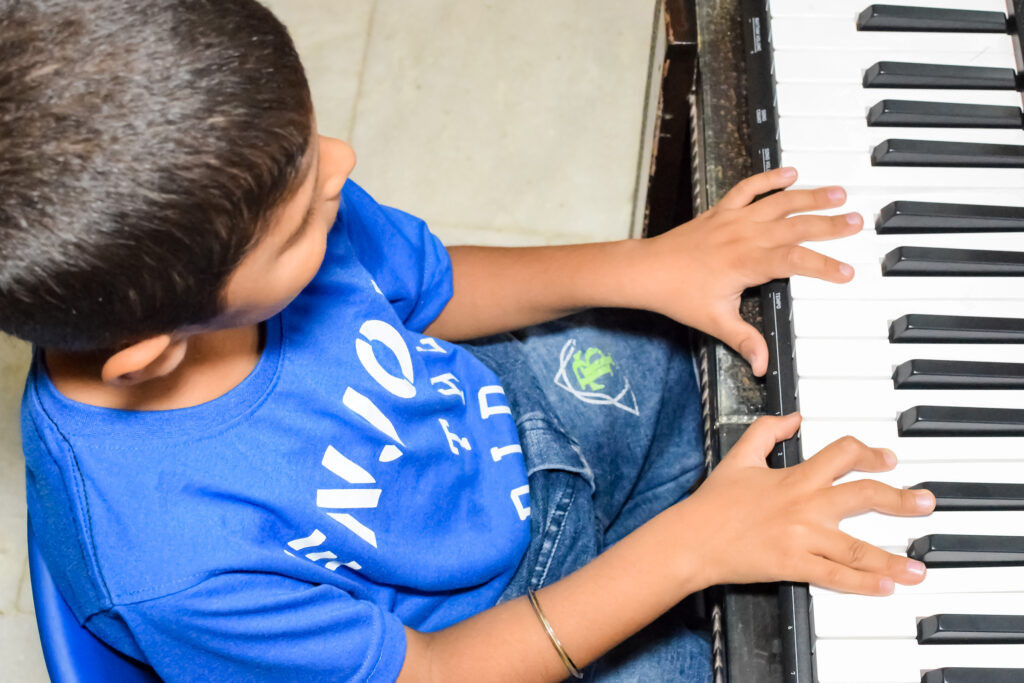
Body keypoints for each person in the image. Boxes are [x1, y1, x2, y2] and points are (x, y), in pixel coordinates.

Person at [2, 0, 935, 680]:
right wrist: (689, 552)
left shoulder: (254, 203)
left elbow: (432, 282)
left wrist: (643, 265)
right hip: (492, 636)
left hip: (529, 432)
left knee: (760, 359)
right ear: (152, 349)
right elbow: (438, 673)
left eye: (309, 146)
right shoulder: (171, 563)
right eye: (296, 228)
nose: (340, 169)